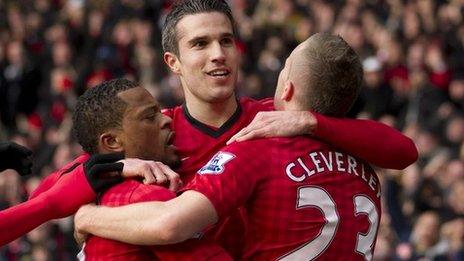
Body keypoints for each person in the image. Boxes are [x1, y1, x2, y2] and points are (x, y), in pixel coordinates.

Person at [9, 0, 416, 252]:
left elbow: (401, 150)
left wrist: (312, 120)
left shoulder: (273, 122)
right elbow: (51, 192)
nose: (218, 54)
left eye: (226, 41)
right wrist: (112, 168)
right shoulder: (153, 132)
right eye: (200, 44)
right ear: (174, 63)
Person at [74, 33, 385, 260]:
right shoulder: (366, 168)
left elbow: (170, 225)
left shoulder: (257, 150)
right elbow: (405, 151)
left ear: (286, 87)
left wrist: (87, 217)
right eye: (201, 43)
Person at [71, 78, 230, 260]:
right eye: (149, 116)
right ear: (112, 142)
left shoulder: (98, 197)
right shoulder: (147, 200)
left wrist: (85, 216)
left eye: (160, 111)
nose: (166, 119)